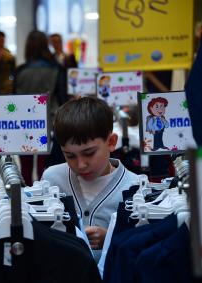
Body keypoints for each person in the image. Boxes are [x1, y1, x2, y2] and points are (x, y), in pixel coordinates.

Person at [41, 97, 138, 262]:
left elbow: (140, 250)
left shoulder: (134, 188)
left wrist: (111, 239)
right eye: (70, 156)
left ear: (112, 142)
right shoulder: (52, 179)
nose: (81, 164)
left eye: (89, 153)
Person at [14, 30, 67, 186]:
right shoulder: (57, 69)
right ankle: (45, 200)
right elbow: (62, 99)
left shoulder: (20, 71)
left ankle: (26, 200)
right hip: (48, 123)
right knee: (46, 168)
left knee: (25, 168)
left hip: (23, 124)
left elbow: (14, 99)